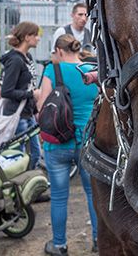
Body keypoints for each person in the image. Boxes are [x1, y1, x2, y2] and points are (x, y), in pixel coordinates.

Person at [39, 34, 99, 255]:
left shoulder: (52, 71)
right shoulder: (91, 70)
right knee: (94, 195)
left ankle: (59, 245)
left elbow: (42, 107)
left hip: (58, 144)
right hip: (87, 143)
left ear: (59, 50)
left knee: (59, 197)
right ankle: (98, 240)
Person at [0, 21, 42, 169]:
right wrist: (31, 94)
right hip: (17, 115)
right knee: (20, 156)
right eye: (36, 35)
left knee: (36, 154)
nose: (38, 38)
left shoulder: (27, 57)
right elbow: (7, 91)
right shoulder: (15, 60)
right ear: (26, 37)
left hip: (28, 113)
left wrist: (35, 111)